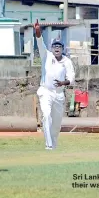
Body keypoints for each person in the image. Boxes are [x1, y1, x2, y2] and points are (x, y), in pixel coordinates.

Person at [33, 20, 75, 150]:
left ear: (62, 49)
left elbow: (71, 78)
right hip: (46, 91)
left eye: (59, 47)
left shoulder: (67, 61)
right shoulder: (46, 55)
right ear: (52, 48)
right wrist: (38, 30)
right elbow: (40, 42)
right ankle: (48, 145)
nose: (57, 48)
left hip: (59, 94)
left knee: (56, 125)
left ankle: (53, 145)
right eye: (55, 46)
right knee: (46, 116)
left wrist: (63, 83)